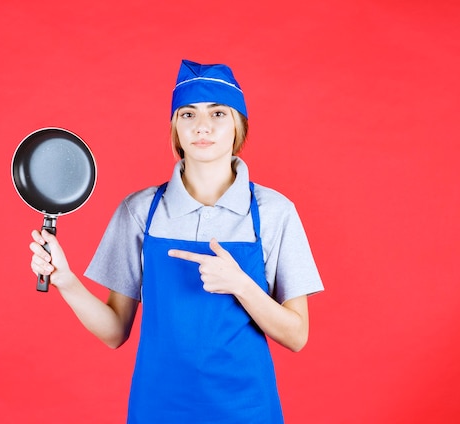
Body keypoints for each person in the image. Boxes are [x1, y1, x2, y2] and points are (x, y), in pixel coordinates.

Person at [29, 59, 324, 424]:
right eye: (188, 115)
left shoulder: (274, 212)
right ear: (175, 129)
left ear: (238, 125)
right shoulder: (140, 211)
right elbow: (113, 332)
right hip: (158, 408)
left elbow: (297, 336)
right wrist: (66, 280)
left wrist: (241, 286)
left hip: (246, 409)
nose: (202, 126)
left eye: (218, 113)